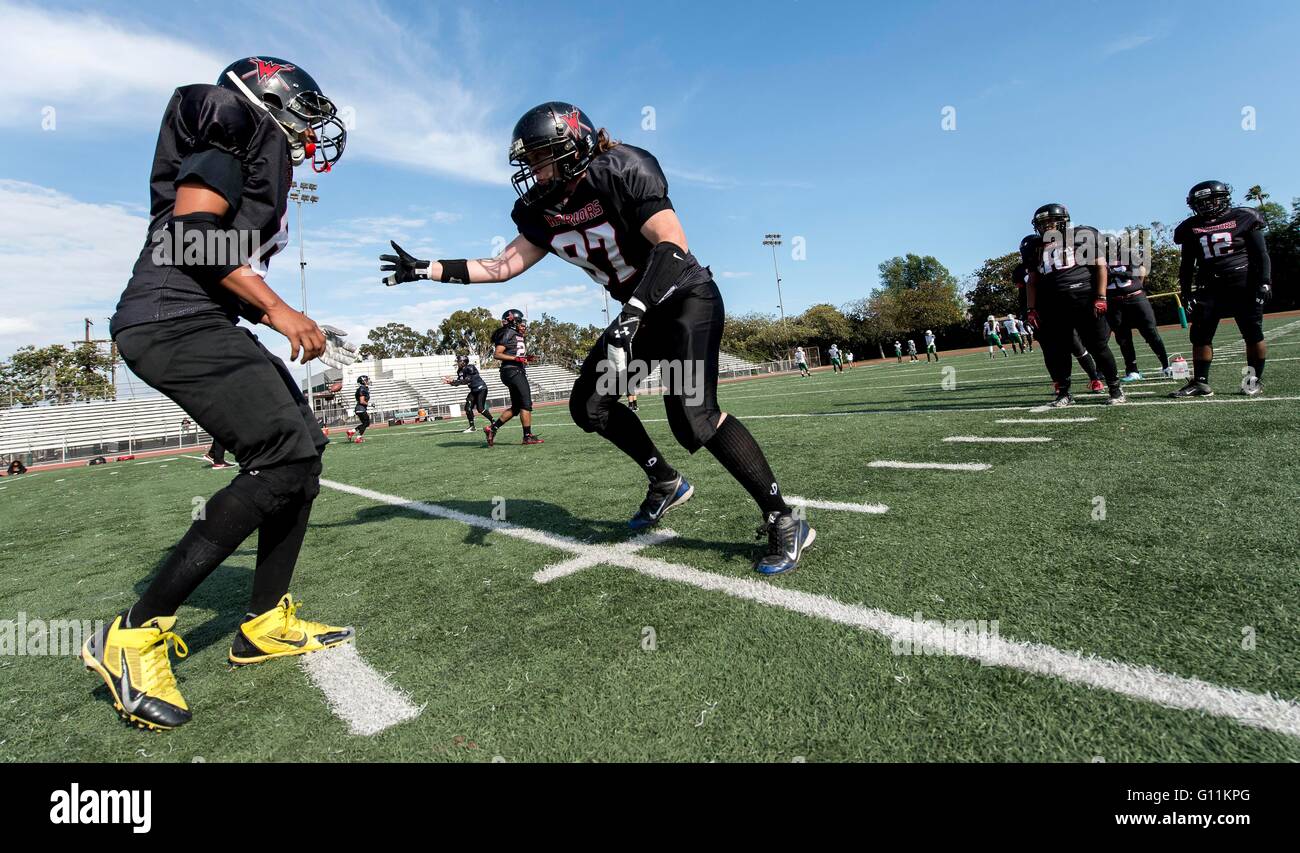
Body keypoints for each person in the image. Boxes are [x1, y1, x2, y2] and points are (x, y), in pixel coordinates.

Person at [380, 102, 812, 574]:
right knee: (590, 406)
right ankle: (665, 481)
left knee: (692, 417)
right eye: (528, 160)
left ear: (573, 144)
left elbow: (672, 245)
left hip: (684, 299)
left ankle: (784, 519)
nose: (533, 170)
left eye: (541, 156)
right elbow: (501, 267)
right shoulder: (539, 210)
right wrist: (428, 269)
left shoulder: (623, 168)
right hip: (637, 315)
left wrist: (634, 312)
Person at [85, 56, 356, 731]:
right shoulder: (229, 120)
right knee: (284, 457)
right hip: (172, 316)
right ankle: (133, 634)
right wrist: (277, 310)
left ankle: (264, 620)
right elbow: (191, 234)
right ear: (265, 98)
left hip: (193, 319)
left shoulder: (252, 144)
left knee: (302, 458)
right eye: (299, 108)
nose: (306, 126)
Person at [1170, 180, 1271, 397]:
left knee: (1252, 334)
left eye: (1210, 200)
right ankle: (1200, 383)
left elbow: (1261, 254)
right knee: (1200, 336)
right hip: (1210, 285)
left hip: (1242, 282)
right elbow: (1187, 265)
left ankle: (1253, 381)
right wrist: (1187, 292)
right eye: (1201, 202)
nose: (1206, 205)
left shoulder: (1244, 217)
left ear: (1223, 198)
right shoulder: (1190, 227)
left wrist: (1264, 281)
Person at [1020, 203, 1125, 407]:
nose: (1046, 226)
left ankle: (1115, 388)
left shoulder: (1080, 235)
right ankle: (1064, 393)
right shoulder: (1034, 246)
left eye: (1050, 222)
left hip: (1083, 298)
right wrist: (1031, 309)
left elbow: (1100, 268)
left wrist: (1101, 296)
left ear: (1062, 221)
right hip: (1053, 304)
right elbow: (1032, 281)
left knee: (1097, 345)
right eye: (1042, 223)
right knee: (1059, 350)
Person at [1106, 246, 1171, 382]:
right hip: (1115, 302)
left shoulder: (1128, 254)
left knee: (1151, 333)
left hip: (1135, 298)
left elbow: (1133, 273)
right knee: (1123, 338)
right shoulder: (1097, 259)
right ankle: (1132, 370)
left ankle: (1166, 366)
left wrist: (1112, 274)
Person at [481, 309, 543, 446]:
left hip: (514, 371)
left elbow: (515, 355)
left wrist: (524, 359)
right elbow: (497, 354)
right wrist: (516, 358)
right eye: (520, 322)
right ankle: (527, 436)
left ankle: (492, 428)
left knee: (516, 407)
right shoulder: (508, 332)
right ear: (512, 322)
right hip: (512, 372)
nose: (523, 325)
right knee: (526, 403)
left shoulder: (515, 334)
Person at [444, 354, 492, 432]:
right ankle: (472, 427)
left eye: (459, 361)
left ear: (464, 362)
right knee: (467, 408)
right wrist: (450, 382)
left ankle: (493, 421)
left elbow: (467, 380)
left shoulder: (470, 367)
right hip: (473, 390)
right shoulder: (459, 371)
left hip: (481, 389)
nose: (458, 363)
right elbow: (460, 382)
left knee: (480, 409)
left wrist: (454, 381)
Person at [347, 375, 371, 443]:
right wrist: (369, 404)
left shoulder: (363, 388)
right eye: (366, 380)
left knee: (365, 423)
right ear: (363, 381)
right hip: (361, 408)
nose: (368, 381)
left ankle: (352, 432)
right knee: (366, 423)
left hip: (360, 408)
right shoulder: (362, 389)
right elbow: (362, 401)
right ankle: (357, 437)